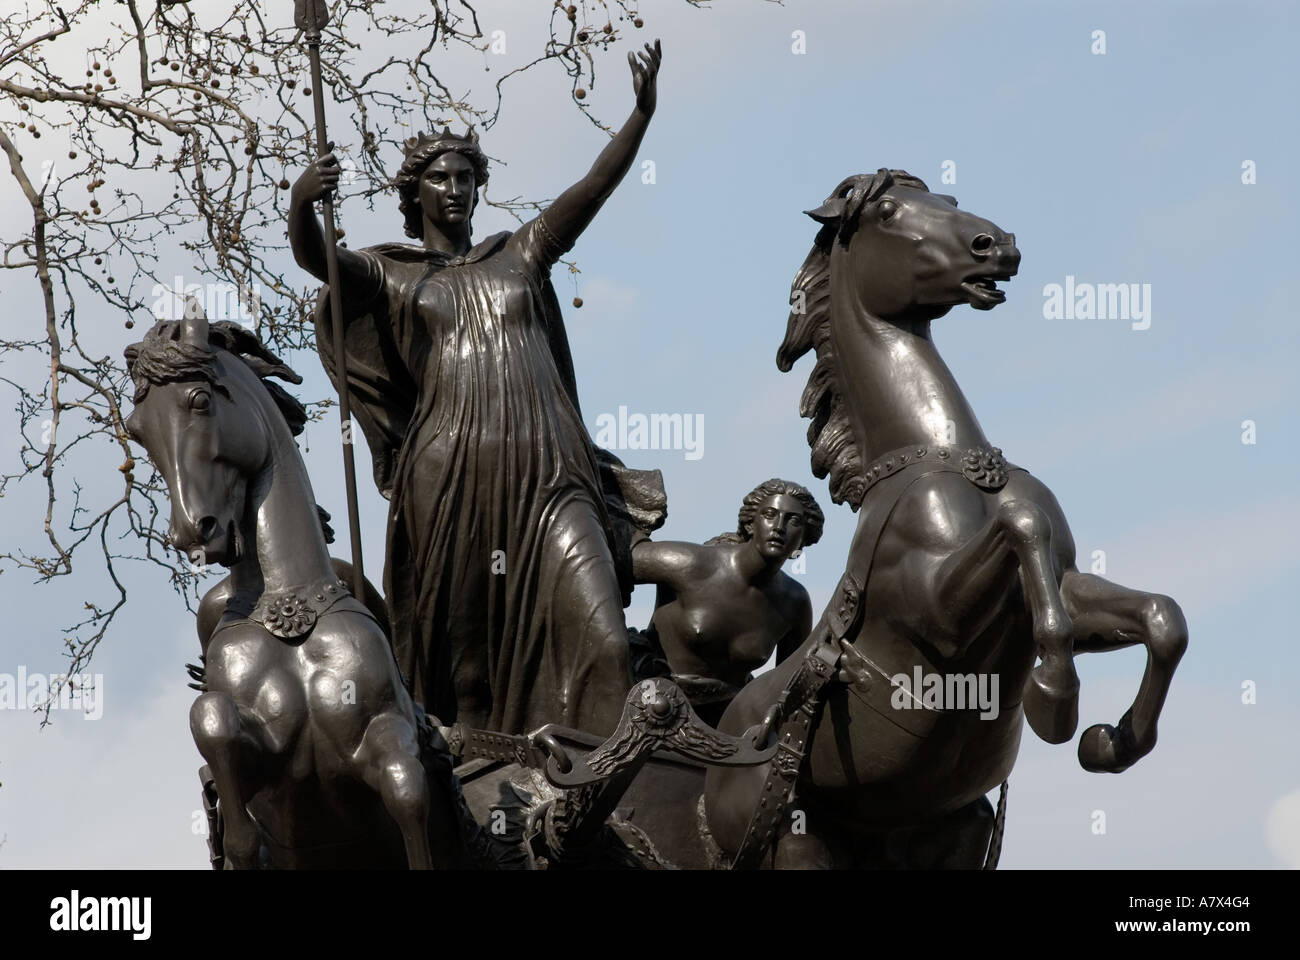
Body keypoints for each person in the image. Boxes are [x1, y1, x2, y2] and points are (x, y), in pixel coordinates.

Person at [288, 42, 666, 736]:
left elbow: (591, 191)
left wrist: (639, 117)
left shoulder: (518, 253)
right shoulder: (396, 275)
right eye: (441, 178)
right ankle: (474, 794)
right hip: (451, 477)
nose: (457, 189)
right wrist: (301, 204)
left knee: (607, 639)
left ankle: (607, 786)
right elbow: (321, 264)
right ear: (416, 192)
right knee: (463, 675)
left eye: (467, 176)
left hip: (551, 471)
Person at [630, 479, 822, 725]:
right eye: (770, 515)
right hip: (645, 709)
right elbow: (606, 565)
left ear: (805, 537)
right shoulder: (688, 563)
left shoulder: (795, 601)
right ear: (751, 524)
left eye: (793, 521)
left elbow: (789, 686)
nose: (779, 527)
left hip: (726, 729)